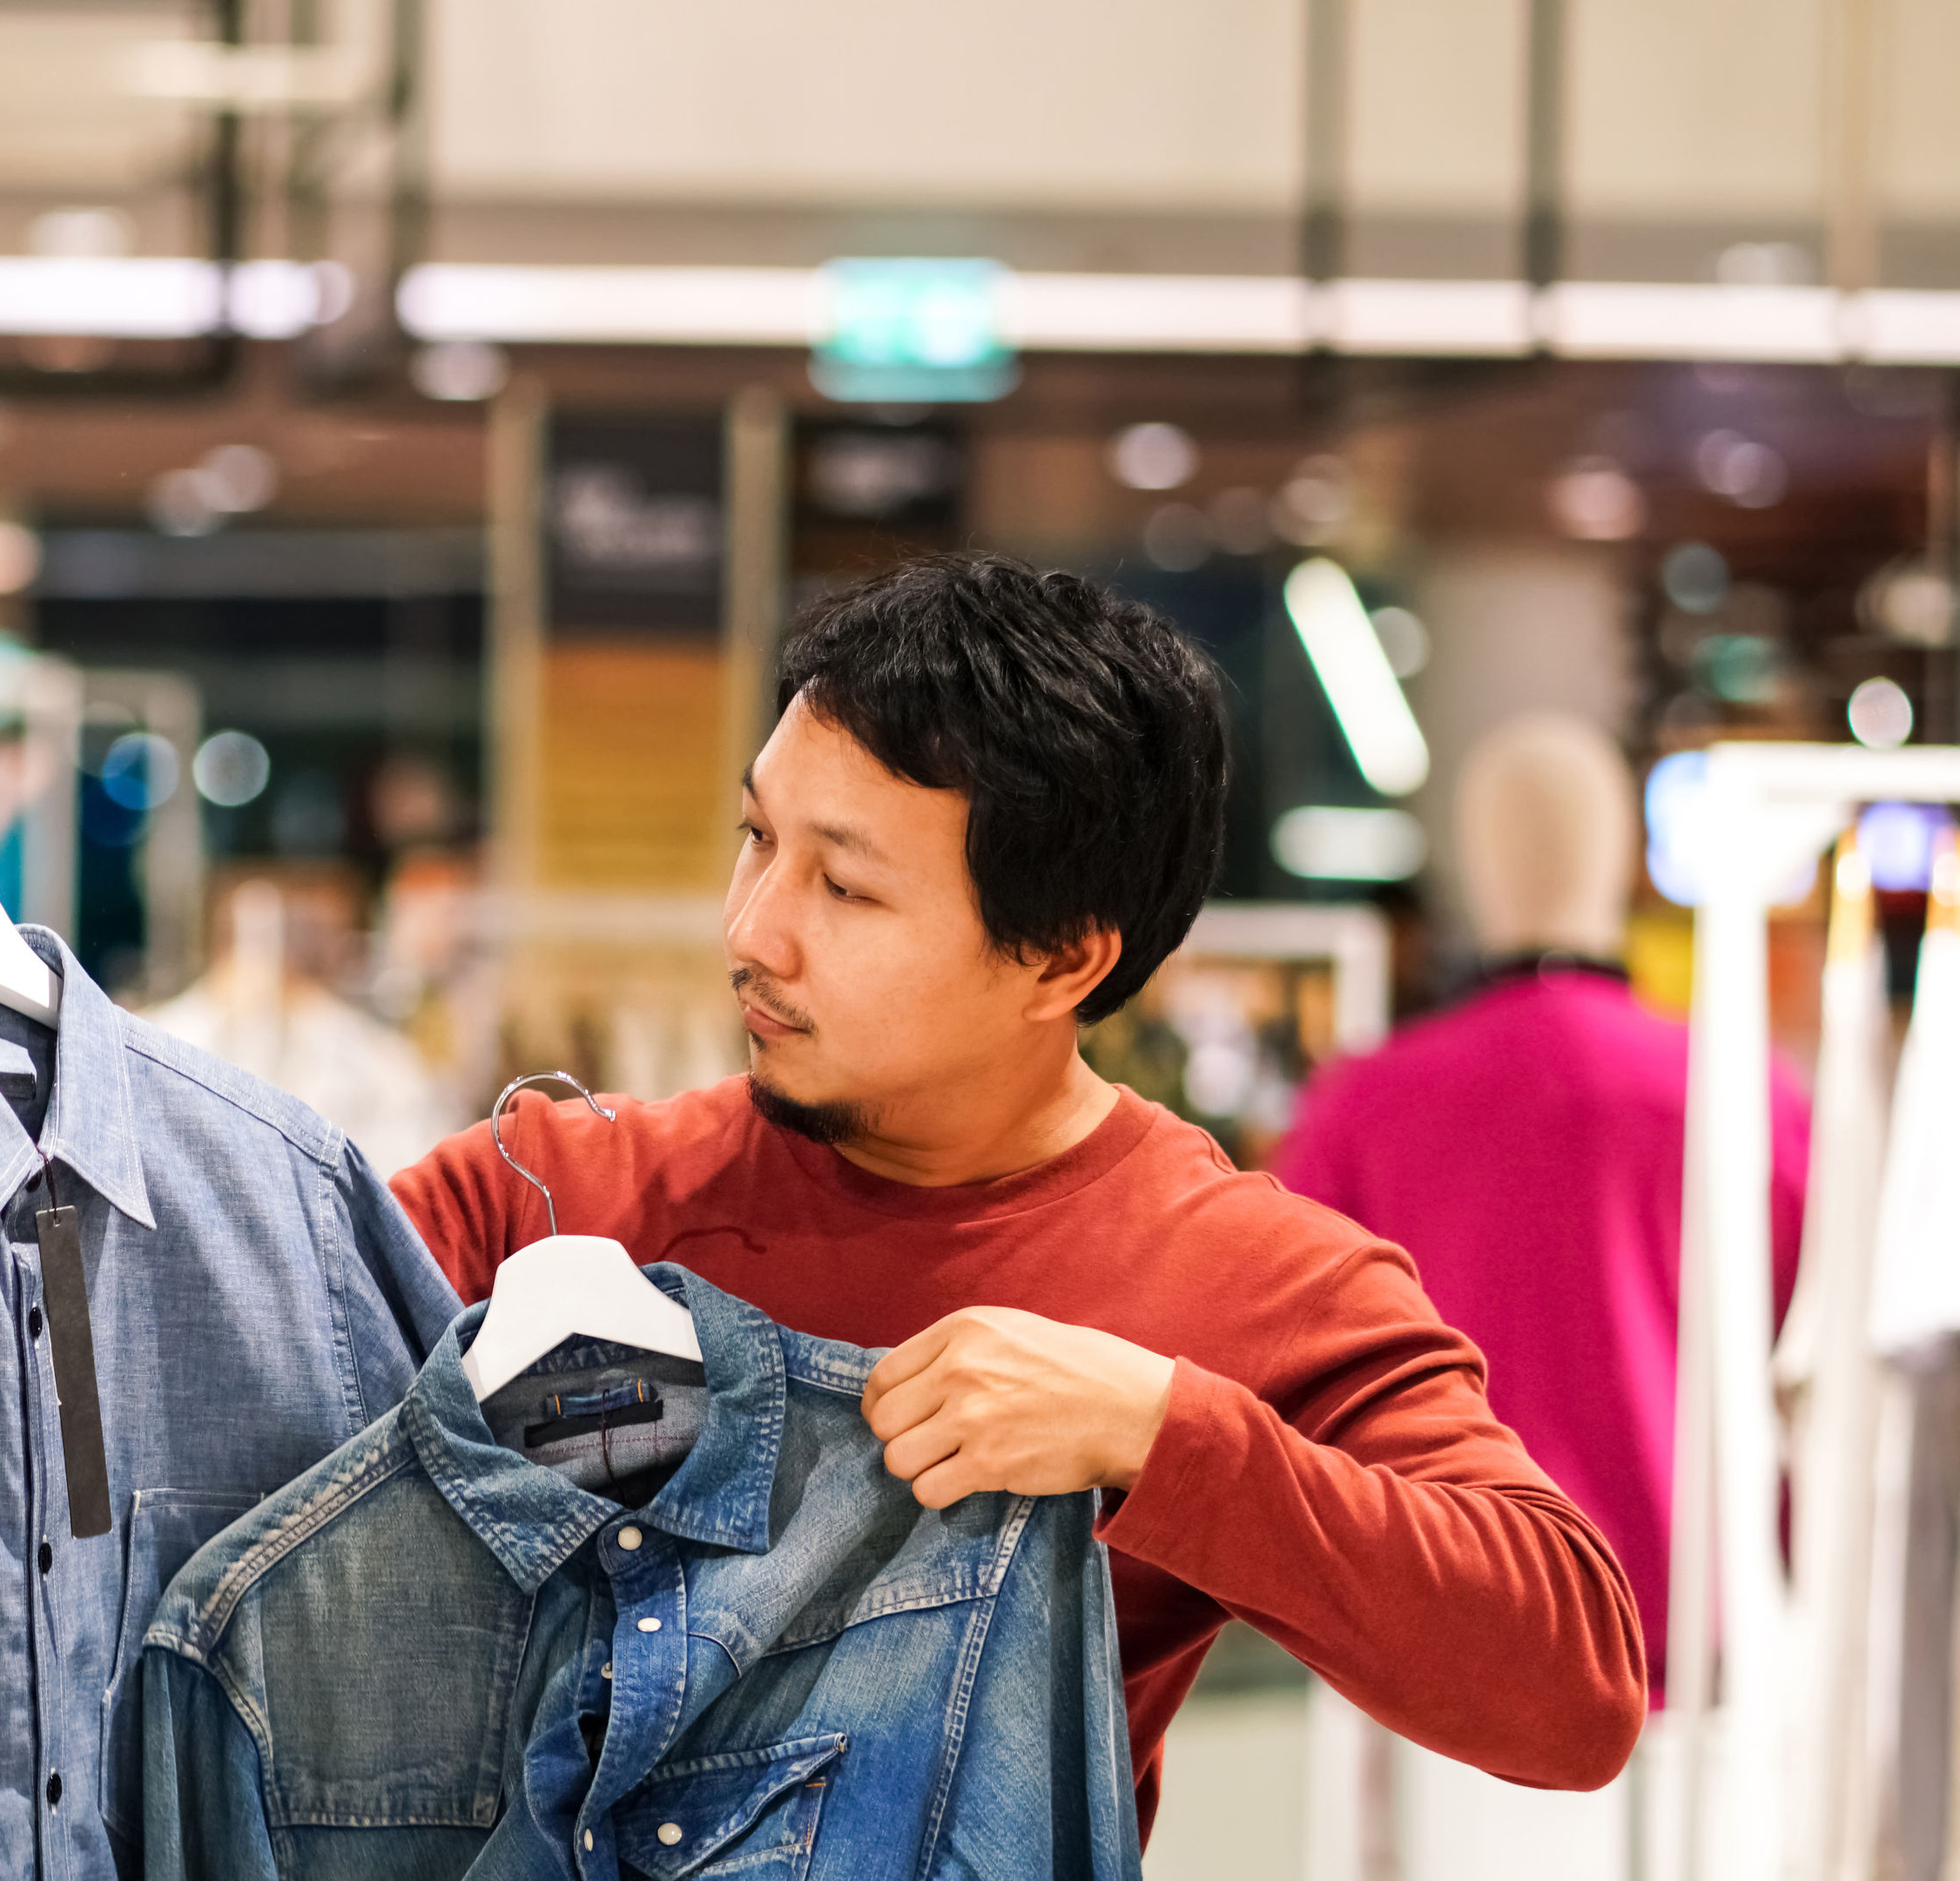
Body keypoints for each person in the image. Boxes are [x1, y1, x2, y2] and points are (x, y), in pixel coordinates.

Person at [390, 554, 1645, 1836]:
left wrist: (1163, 1437)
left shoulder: (1247, 1281)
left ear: (1060, 958)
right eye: (758, 838)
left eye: (844, 885)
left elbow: (1575, 1684)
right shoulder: (548, 1196)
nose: (754, 932)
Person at [1276, 711, 1808, 1696]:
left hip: (1449, 1618)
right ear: (1626, 858)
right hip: (1700, 1617)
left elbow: (1289, 1359)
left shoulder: (1364, 1103)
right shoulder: (1748, 1087)